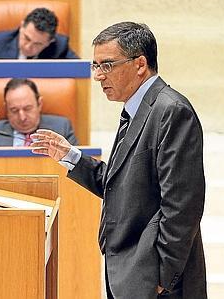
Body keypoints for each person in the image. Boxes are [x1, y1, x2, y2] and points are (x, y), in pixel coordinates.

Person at [31, 22, 206, 298]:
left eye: (107, 65)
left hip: (156, 282)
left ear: (140, 64)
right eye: (95, 66)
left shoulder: (171, 111)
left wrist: (163, 278)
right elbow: (120, 184)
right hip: (129, 273)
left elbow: (182, 205)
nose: (98, 76)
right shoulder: (136, 109)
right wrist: (70, 156)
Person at [0, 78, 77, 147]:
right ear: (6, 109)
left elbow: (75, 166)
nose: (22, 117)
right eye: (14, 110)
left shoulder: (62, 128)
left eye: (27, 108)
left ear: (39, 104)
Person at [0, 7, 78, 59]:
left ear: (50, 41)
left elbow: (81, 71)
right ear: (21, 27)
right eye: (26, 38)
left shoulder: (60, 46)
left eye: (38, 44)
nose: (28, 47)